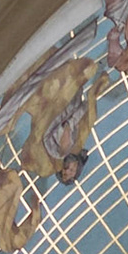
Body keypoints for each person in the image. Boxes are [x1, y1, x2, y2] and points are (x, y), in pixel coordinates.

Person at [9, 56, 105, 185]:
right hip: (72, 95)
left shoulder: (57, 150)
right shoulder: (76, 143)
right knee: (86, 69)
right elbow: (82, 117)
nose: (71, 169)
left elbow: (56, 125)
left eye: (66, 171)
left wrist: (68, 125)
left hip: (59, 96)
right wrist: (91, 98)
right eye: (73, 171)